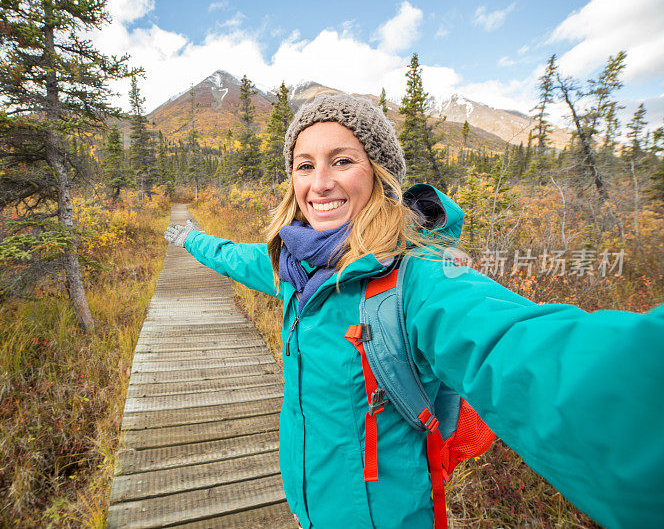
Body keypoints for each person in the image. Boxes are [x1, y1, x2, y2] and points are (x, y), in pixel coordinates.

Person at [163, 93, 664, 529]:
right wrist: (190, 238)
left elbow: (528, 351)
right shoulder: (288, 263)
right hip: (308, 504)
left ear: (380, 175)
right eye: (304, 164)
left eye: (342, 161)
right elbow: (232, 255)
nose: (320, 183)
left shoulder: (421, 279)